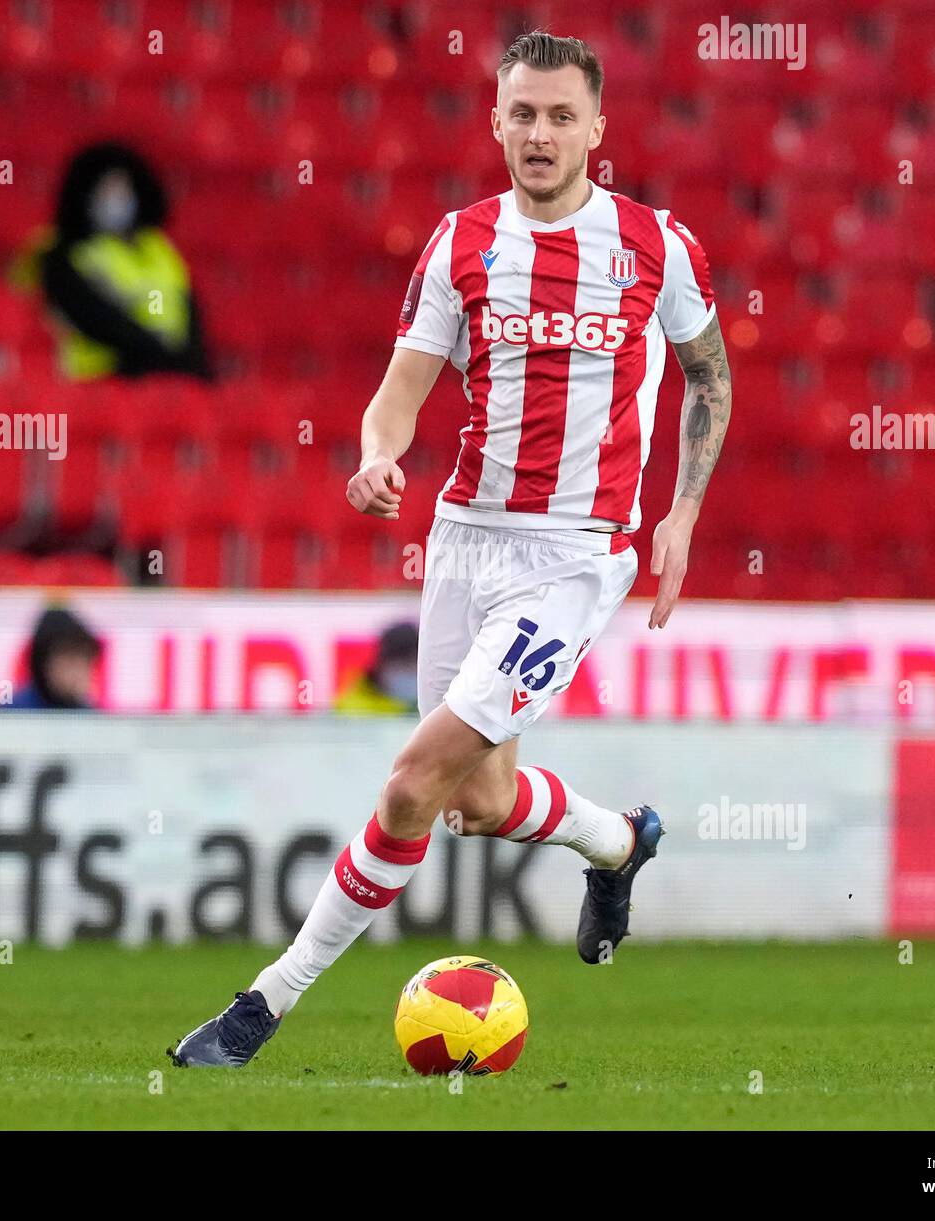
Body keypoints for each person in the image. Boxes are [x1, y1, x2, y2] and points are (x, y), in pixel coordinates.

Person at [170, 31, 732, 1069]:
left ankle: (261, 1006)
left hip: (575, 557)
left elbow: (708, 375)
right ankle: (617, 843)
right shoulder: (461, 244)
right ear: (496, 122)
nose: (540, 133)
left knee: (411, 785)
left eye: (562, 115)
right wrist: (378, 459)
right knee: (475, 798)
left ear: (597, 129)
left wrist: (682, 512)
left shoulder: (657, 247)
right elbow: (396, 399)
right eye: (522, 113)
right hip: (465, 544)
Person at [17, 142, 213, 381]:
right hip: (103, 380)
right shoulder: (64, 251)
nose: (116, 199)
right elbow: (94, 318)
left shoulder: (159, 249)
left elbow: (186, 311)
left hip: (168, 375)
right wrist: (161, 353)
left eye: (123, 190)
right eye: (105, 190)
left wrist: (189, 364)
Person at [4, 607, 102, 710]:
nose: (80, 671)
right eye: (70, 661)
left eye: (86, 661)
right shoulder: (8, 713)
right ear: (43, 662)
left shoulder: (90, 717)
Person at [333, 622, 420, 716]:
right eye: (402, 666)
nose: (409, 672)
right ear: (381, 665)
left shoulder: (423, 704)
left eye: (413, 666)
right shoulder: (353, 708)